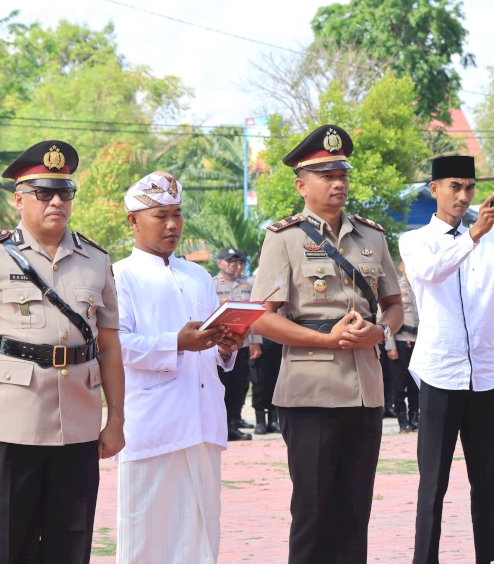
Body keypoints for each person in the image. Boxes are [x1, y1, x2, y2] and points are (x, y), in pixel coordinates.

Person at [0, 140, 125, 564]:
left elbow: (109, 346)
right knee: (14, 544)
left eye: (64, 192)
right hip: (13, 424)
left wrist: (116, 419)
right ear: (19, 199)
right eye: (43, 192)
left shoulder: (96, 259)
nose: (56, 202)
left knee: (72, 542)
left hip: (80, 422)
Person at [250, 124, 403, 563]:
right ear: (302, 185)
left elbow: (393, 305)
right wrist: (328, 337)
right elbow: (263, 317)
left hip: (365, 391)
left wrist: (382, 332)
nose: (339, 184)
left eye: (342, 175)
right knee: (314, 513)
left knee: (355, 512)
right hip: (310, 393)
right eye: (326, 176)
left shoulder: (372, 237)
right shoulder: (284, 238)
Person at [400, 155, 494, 564]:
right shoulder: (415, 239)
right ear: (434, 189)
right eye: (454, 186)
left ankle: (488, 556)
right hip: (440, 371)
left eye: (469, 188)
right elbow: (430, 272)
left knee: (487, 478)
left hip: (484, 371)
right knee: (434, 479)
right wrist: (474, 234)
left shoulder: (490, 241)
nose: (463, 195)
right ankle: (425, 558)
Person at [113, 171, 246, 563]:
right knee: (145, 536)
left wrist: (226, 346)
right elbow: (114, 346)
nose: (172, 225)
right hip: (154, 424)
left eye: (177, 214)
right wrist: (176, 343)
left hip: (203, 420)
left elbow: (211, 342)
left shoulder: (197, 274)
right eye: (160, 216)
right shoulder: (120, 276)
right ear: (133, 221)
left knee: (202, 534)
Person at [213, 247, 262, 439]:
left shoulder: (248, 285)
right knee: (221, 386)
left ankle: (233, 423)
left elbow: (255, 317)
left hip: (242, 344)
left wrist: (255, 342)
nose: (235, 265)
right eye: (230, 261)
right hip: (220, 345)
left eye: (239, 261)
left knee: (240, 385)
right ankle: (222, 425)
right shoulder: (211, 284)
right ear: (219, 263)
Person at [385, 261, 420, 433]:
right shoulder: (396, 288)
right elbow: (386, 318)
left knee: (415, 383)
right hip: (399, 341)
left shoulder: (420, 288)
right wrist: (390, 346)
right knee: (399, 384)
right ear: (401, 266)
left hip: (418, 341)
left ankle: (414, 417)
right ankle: (402, 420)